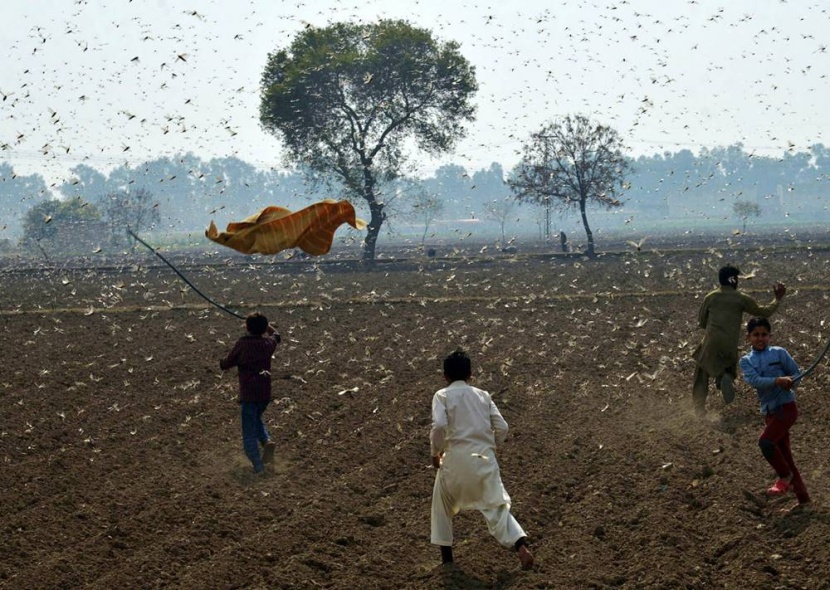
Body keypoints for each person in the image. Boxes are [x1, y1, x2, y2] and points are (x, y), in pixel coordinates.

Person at [429, 348, 534, 570]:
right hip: (484, 459)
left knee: (441, 503)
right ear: (470, 374)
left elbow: (439, 426)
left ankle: (447, 560)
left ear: (445, 376)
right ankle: (521, 546)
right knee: (497, 508)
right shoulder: (483, 396)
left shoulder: (442, 396)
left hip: (455, 461)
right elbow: (502, 427)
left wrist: (435, 454)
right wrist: (491, 446)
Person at [692, 264, 786, 416]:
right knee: (728, 368)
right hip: (730, 344)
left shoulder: (710, 297)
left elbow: (702, 322)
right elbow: (764, 312)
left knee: (702, 372)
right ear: (734, 280)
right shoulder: (741, 298)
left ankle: (699, 409)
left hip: (710, 343)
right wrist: (777, 299)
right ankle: (724, 378)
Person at [739, 317, 810, 508]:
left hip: (786, 409)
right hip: (770, 413)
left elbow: (796, 374)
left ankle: (784, 477)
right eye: (756, 335)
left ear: (769, 336)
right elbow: (754, 380)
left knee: (766, 442)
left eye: (764, 334)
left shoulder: (779, 353)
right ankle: (804, 501)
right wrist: (777, 381)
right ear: (748, 337)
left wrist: (791, 382)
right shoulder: (746, 361)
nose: (760, 338)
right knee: (786, 457)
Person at [220, 312, 281, 474]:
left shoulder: (243, 344)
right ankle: (266, 441)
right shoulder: (268, 343)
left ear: (247, 328)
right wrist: (268, 326)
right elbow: (277, 336)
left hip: (249, 393)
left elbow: (227, 363)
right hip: (264, 393)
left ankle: (258, 467)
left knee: (249, 433)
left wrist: (221, 362)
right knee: (256, 418)